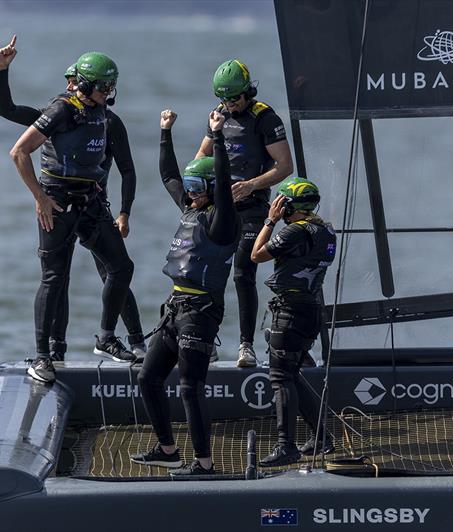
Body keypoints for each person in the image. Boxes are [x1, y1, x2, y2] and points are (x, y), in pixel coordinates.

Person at [0, 36, 146, 361]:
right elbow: (17, 147)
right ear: (85, 83)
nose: (109, 93)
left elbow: (128, 170)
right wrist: (40, 197)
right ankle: (46, 355)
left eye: (111, 87)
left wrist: (123, 212)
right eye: (104, 87)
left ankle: (113, 338)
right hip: (58, 204)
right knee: (55, 279)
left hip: (92, 204)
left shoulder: (106, 117)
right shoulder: (60, 111)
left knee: (119, 268)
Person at [131, 109, 240, 476]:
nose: (189, 195)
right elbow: (168, 176)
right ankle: (167, 450)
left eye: (197, 189)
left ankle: (204, 464)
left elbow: (224, 184)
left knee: (190, 388)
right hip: (175, 309)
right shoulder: (190, 208)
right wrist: (165, 132)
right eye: (189, 189)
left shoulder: (222, 221)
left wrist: (218, 137)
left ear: (209, 190)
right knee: (148, 378)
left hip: (201, 312)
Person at [195, 59, 294, 368]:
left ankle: (246, 346)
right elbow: (201, 157)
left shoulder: (264, 118)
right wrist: (200, 188)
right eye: (224, 98)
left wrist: (252, 185)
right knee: (208, 274)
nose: (229, 104)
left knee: (242, 273)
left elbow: (285, 166)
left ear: (247, 92)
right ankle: (206, 342)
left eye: (234, 98)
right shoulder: (219, 116)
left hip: (251, 208)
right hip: (220, 207)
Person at [250, 177, 336, 466]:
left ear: (289, 205)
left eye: (282, 202)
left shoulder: (294, 232)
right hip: (310, 309)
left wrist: (269, 221)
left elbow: (256, 255)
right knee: (293, 373)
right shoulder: (326, 229)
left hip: (290, 310)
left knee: (280, 378)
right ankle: (322, 437)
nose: (278, 206)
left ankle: (286, 446)